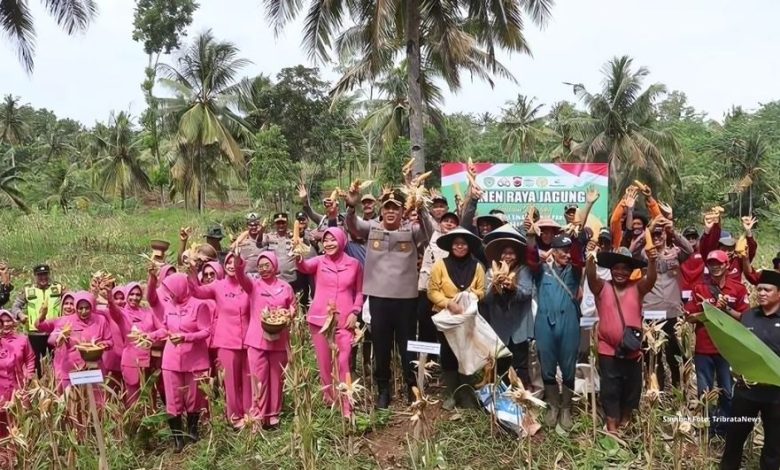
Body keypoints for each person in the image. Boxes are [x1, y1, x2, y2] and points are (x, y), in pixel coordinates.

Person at [345, 188, 433, 408]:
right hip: (379, 299)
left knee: (408, 346)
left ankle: (412, 387)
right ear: (381, 211)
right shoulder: (371, 228)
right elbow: (353, 224)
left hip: (406, 300)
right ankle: (383, 390)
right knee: (382, 346)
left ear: (403, 211)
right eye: (387, 208)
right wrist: (350, 206)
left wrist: (422, 210)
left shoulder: (411, 230)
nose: (391, 211)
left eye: (396, 208)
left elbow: (429, 232)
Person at [586, 246, 657, 433]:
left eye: (625, 268)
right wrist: (590, 259)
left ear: (631, 271)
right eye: (617, 268)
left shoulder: (637, 288)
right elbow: (591, 277)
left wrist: (652, 261)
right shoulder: (602, 286)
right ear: (611, 269)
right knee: (610, 389)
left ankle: (626, 420)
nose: (621, 272)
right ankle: (611, 424)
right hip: (607, 349)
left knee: (632, 388)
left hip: (632, 349)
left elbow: (650, 279)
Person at [296, 228, 363, 417]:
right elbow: (302, 266)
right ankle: (330, 401)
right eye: (325, 241)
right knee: (325, 363)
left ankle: (346, 403)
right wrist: (297, 254)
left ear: (342, 241)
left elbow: (359, 292)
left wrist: (355, 312)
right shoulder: (318, 262)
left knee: (343, 361)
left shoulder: (354, 264)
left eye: (333, 240)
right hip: (320, 320)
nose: (329, 244)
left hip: (344, 320)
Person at [685, 250, 750, 436]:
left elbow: (745, 318)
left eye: (718, 263)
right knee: (704, 393)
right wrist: (709, 311)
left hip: (727, 349)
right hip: (703, 349)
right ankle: (707, 429)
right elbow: (689, 317)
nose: (714, 266)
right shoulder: (699, 289)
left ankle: (725, 430)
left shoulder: (738, 289)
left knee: (727, 392)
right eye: (711, 263)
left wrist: (726, 309)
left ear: (727, 265)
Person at [720, 270, 780, 470]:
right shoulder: (748, 317)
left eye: (767, 290)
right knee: (735, 438)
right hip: (747, 392)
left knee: (774, 444)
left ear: (779, 293)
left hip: (776, 396)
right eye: (759, 289)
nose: (761, 293)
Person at [187, 253, 251, 427]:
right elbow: (197, 292)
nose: (231, 265)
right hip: (225, 341)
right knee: (230, 381)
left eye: (235, 262)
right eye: (228, 262)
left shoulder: (248, 285)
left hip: (247, 340)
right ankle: (234, 416)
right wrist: (192, 274)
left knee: (247, 379)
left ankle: (249, 414)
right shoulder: (218, 286)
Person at [235, 251, 295, 429]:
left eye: (267, 265)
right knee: (258, 378)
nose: (263, 269)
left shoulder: (285, 287)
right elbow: (240, 275)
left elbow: (293, 306)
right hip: (257, 339)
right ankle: (258, 413)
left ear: (275, 266)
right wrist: (238, 260)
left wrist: (289, 313)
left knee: (277, 377)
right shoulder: (253, 285)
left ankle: (273, 414)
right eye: (260, 266)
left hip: (279, 337)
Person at [427, 227, 485, 410]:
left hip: (467, 319)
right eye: (456, 244)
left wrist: (468, 295)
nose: (460, 247)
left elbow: (482, 291)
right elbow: (432, 291)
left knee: (466, 354)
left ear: (469, 247)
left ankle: (466, 392)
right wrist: (448, 303)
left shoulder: (477, 266)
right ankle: (452, 393)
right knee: (449, 354)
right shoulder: (440, 265)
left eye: (463, 244)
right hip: (447, 318)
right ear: (451, 246)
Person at [530, 234, 582, 431]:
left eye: (569, 251)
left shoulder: (574, 271)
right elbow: (530, 257)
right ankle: (553, 406)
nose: (567, 255)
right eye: (563, 251)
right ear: (553, 251)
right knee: (547, 366)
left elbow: (578, 256)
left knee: (569, 366)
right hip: (545, 322)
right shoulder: (542, 271)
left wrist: (576, 235)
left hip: (568, 322)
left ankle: (566, 407)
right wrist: (530, 237)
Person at [157, 273, 212, 452]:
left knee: (193, 397)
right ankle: (177, 439)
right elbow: (165, 329)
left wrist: (186, 337)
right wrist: (149, 337)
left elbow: (206, 331)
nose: (170, 295)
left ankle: (193, 431)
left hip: (194, 359)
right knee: (173, 399)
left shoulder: (199, 305)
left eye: (171, 291)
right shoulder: (169, 306)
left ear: (180, 288)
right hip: (172, 359)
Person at [481, 226, 533, 387]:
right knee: (501, 365)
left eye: (511, 253)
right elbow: (484, 298)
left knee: (520, 366)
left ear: (517, 255)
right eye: (505, 253)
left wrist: (513, 287)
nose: (508, 256)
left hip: (519, 328)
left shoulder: (524, 270)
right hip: (499, 328)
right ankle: (502, 402)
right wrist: (495, 289)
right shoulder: (491, 272)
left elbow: (527, 292)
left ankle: (522, 400)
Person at [106, 283, 166, 407]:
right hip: (131, 362)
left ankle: (150, 426)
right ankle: (134, 425)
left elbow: (163, 330)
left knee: (150, 398)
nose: (135, 297)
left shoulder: (148, 313)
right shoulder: (122, 314)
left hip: (150, 362)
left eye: (138, 294)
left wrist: (149, 336)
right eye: (131, 294)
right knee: (133, 399)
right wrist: (109, 297)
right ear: (127, 295)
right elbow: (112, 309)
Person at [47, 292, 113, 392]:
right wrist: (59, 338)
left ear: (92, 307)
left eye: (87, 308)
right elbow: (52, 339)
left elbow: (109, 341)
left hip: (94, 368)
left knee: (96, 402)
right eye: (80, 308)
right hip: (72, 368)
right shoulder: (66, 320)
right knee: (73, 402)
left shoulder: (101, 320)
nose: (83, 311)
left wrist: (104, 344)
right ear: (75, 307)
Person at [11, 264, 63, 377]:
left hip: (55, 333)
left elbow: (71, 300)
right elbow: (15, 307)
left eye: (45, 274)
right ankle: (39, 388)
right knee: (37, 365)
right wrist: (20, 315)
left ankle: (56, 388)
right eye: (40, 275)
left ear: (49, 275)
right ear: (35, 276)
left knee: (57, 363)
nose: (43, 278)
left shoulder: (58, 288)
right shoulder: (28, 290)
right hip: (35, 334)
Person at [0, 309, 35, 437]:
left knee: (22, 423)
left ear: (14, 322)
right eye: (2, 322)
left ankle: (20, 455)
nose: (5, 324)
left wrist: (29, 377)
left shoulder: (22, 340)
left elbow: (30, 359)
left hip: (19, 388)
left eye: (8, 320)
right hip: (1, 391)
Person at [700, 215, 757, 282]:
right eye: (724, 249)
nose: (727, 252)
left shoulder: (738, 262)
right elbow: (703, 248)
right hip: (715, 291)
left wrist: (748, 231)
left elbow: (750, 251)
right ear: (718, 249)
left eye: (730, 249)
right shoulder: (712, 262)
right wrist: (707, 230)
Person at [679, 226, 705, 301]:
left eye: (693, 237)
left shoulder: (703, 251)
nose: (691, 239)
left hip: (700, 289)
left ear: (697, 238)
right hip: (685, 290)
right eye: (688, 238)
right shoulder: (679, 253)